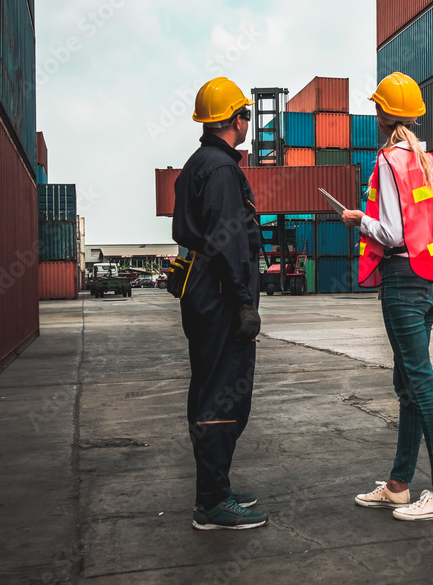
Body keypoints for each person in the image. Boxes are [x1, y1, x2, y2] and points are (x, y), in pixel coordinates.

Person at [342, 72, 433, 521]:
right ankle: (398, 486)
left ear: (381, 114)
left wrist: (358, 220)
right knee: (410, 385)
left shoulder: (389, 161)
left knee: (421, 384)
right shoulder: (429, 161)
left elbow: (391, 231)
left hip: (404, 280)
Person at [173, 76, 266, 530]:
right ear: (234, 119)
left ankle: (217, 489)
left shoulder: (197, 164)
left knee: (210, 388)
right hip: (222, 298)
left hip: (204, 294)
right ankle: (212, 503)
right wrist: (245, 305)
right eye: (244, 113)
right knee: (225, 395)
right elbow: (229, 243)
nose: (246, 120)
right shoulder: (222, 169)